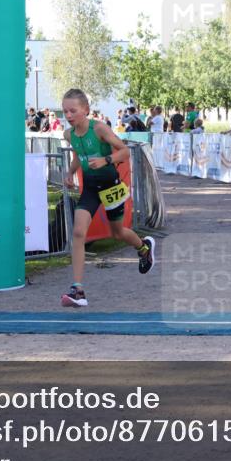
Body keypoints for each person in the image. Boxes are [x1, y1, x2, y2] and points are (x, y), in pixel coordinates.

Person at [60, 88, 156, 308]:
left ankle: (143, 248)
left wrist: (105, 160)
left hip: (111, 186)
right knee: (77, 232)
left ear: (86, 110)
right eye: (65, 111)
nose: (68, 115)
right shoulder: (69, 134)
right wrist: (70, 173)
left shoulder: (100, 129)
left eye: (73, 111)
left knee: (117, 232)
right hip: (91, 188)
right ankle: (78, 289)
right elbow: (78, 155)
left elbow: (124, 151)